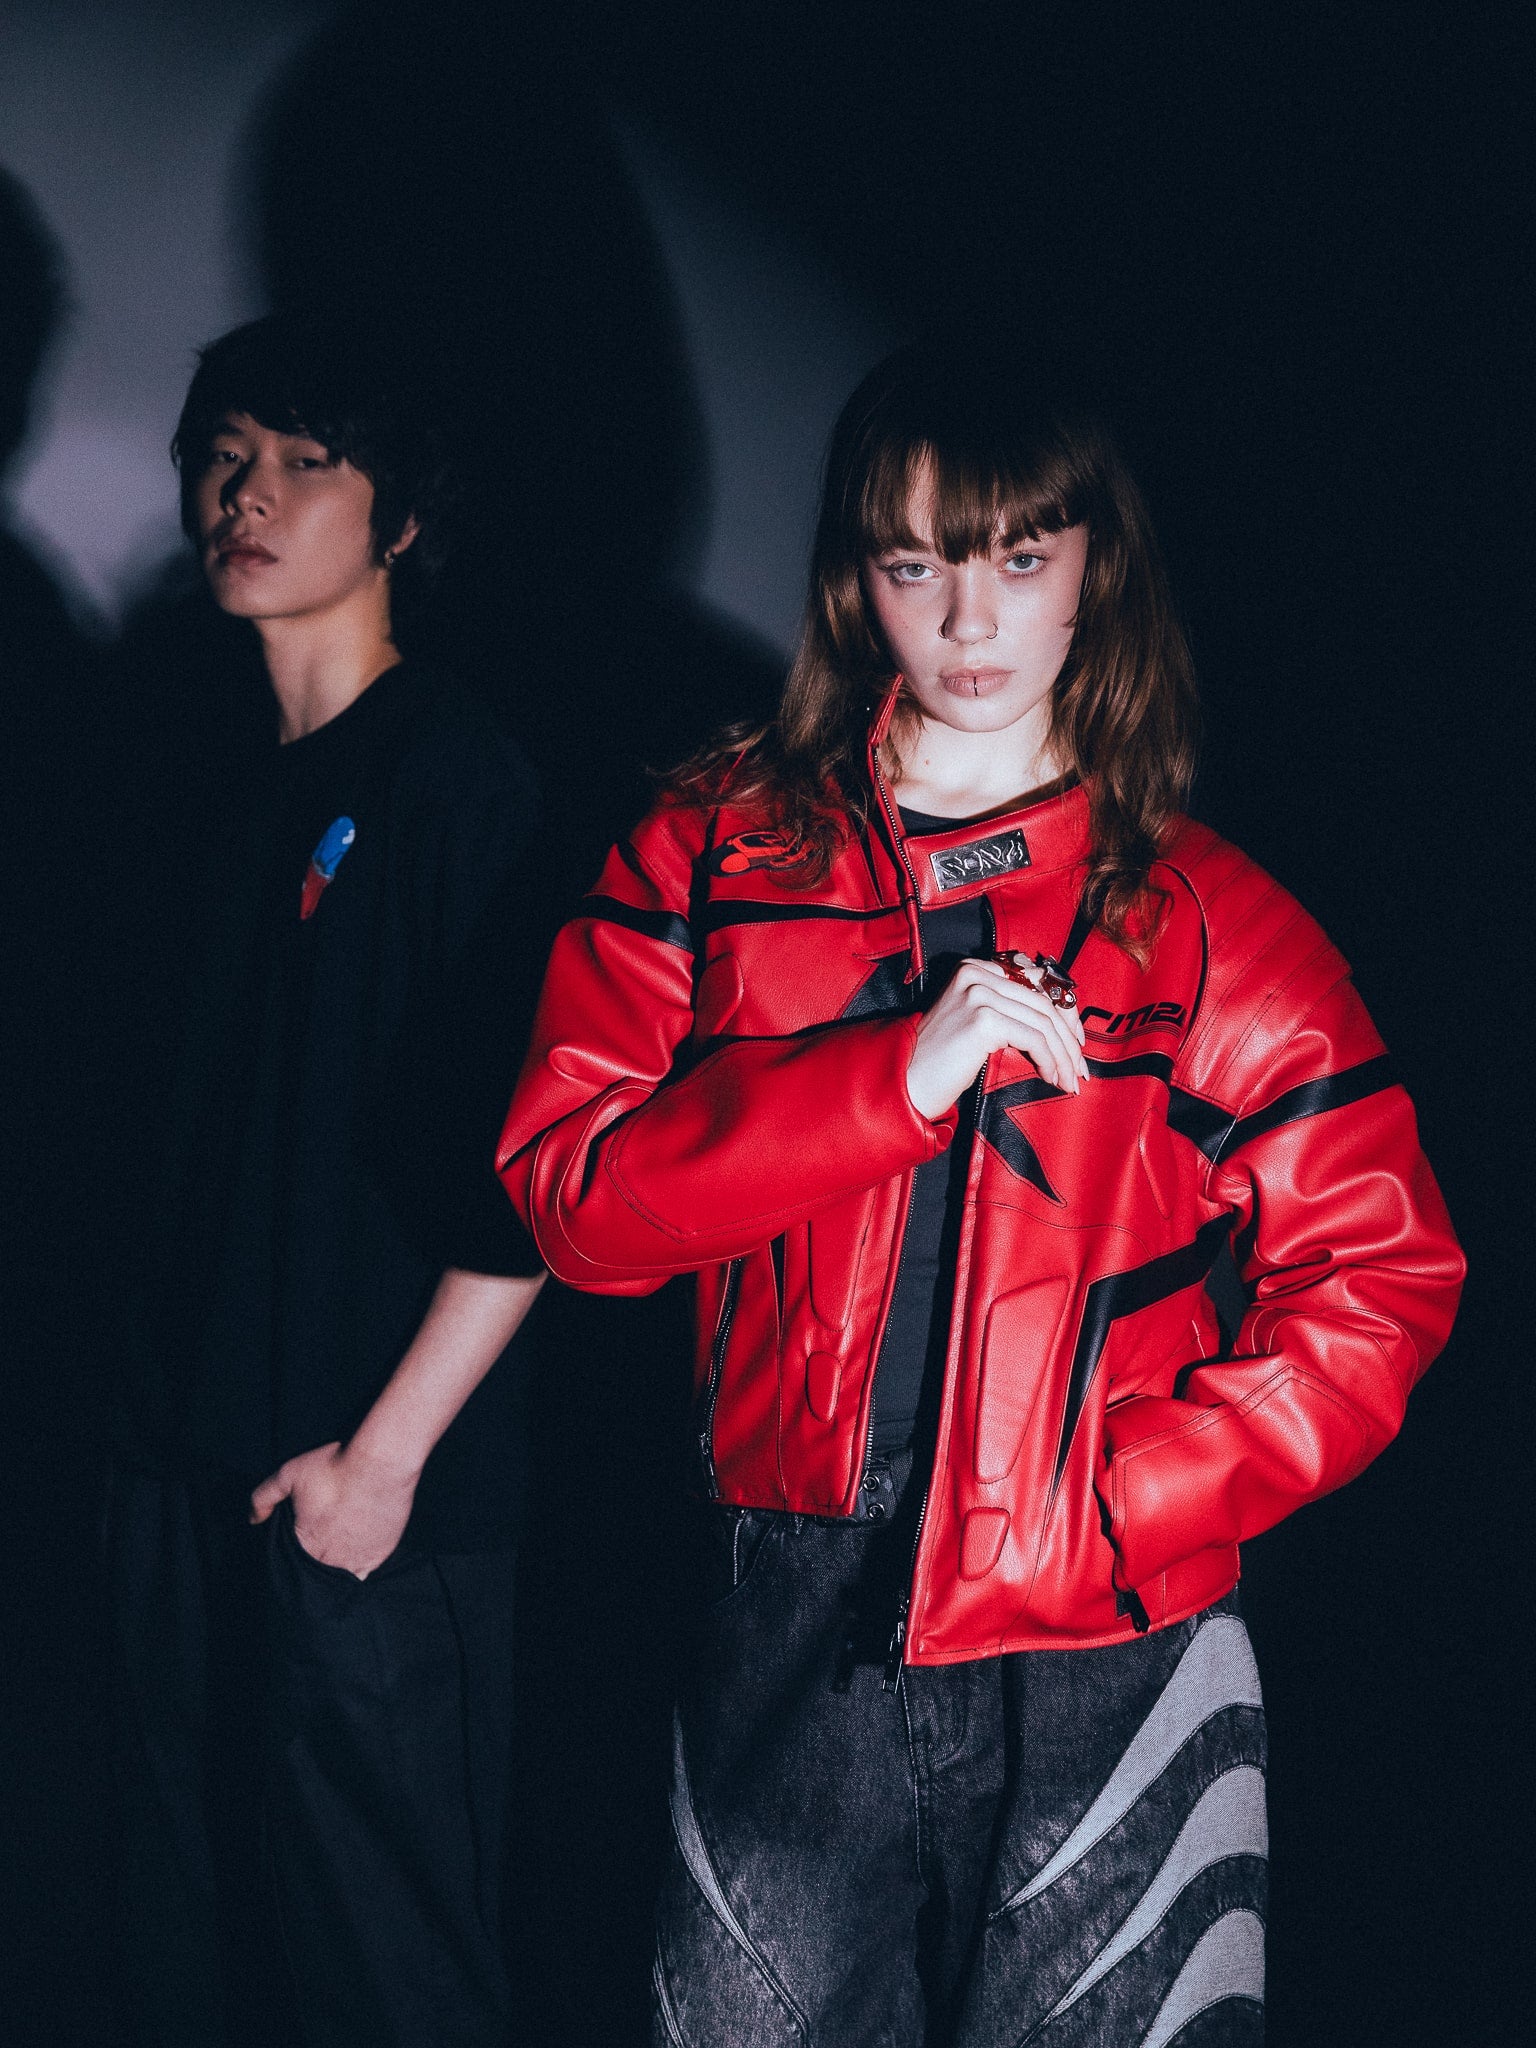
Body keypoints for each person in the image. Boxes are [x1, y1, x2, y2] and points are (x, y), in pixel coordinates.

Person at [495, 342, 1465, 2047]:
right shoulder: (709, 849)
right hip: (787, 1619)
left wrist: (1129, 1498)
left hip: (1116, 1647)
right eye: (915, 561)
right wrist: (894, 1077)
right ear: (853, 577)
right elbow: (576, 1205)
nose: (965, 619)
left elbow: (1385, 1280)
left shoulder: (1214, 922)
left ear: (1095, 565)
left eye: (1018, 557)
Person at [105, 313, 545, 2048]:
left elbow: (539, 1174)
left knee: (389, 1980)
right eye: (225, 456)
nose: (249, 494)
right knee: (189, 1956)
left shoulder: (459, 783)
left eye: (304, 461)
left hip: (367, 1502)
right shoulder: (209, 784)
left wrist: (385, 1461)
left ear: (402, 520)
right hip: (182, 1475)